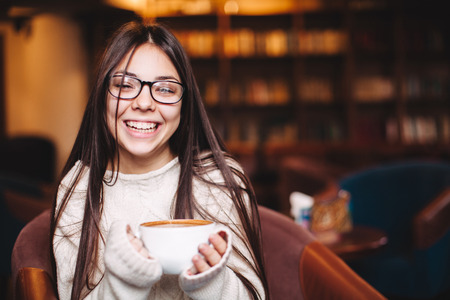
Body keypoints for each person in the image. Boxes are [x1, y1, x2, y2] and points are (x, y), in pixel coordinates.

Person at [51, 20, 268, 300]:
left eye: (165, 89)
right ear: (102, 96)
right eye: (125, 85)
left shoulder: (218, 182)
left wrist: (212, 282)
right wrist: (123, 281)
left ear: (184, 103)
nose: (144, 103)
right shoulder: (78, 189)